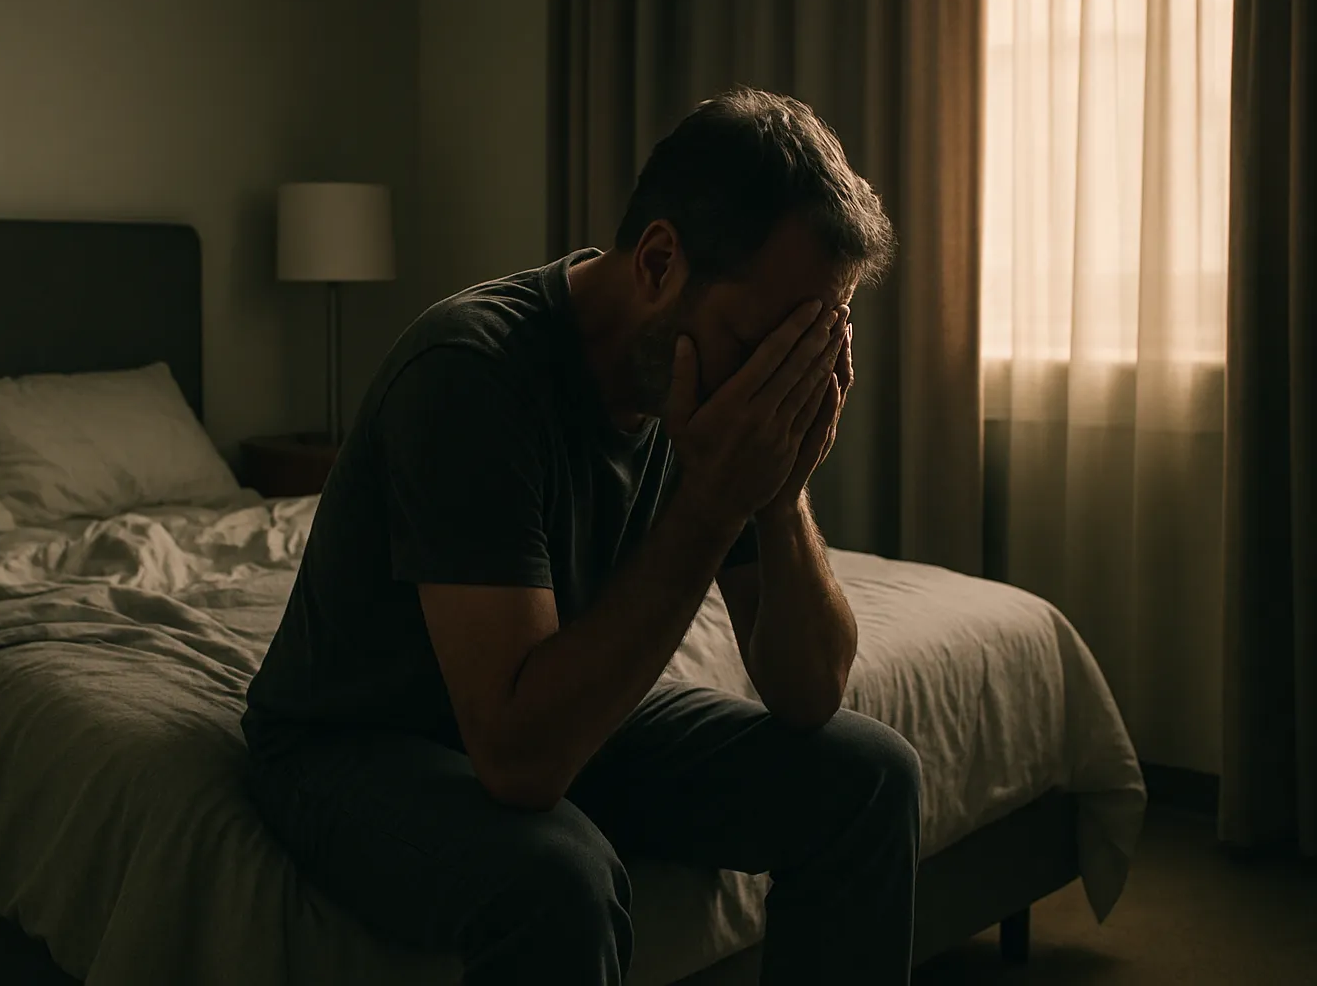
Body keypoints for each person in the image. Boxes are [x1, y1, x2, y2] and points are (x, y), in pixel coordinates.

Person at [242, 86, 922, 985]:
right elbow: (519, 761)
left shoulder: (714, 388)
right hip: (357, 742)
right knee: (559, 880)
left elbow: (807, 692)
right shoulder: (470, 374)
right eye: (764, 342)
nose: (779, 380)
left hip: (546, 705)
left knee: (868, 777)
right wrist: (714, 503)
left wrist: (780, 489)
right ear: (658, 261)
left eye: (808, 347)